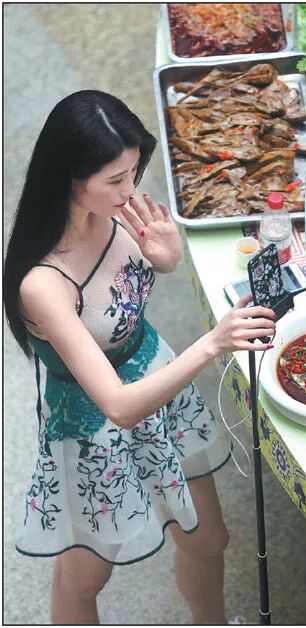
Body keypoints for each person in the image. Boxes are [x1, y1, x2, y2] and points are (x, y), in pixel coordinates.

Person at [3, 90, 276, 625]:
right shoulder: (43, 283)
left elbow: (124, 298)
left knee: (208, 538)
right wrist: (212, 343)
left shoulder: (116, 209)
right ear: (68, 178)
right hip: (92, 427)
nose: (130, 190)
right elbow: (119, 406)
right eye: (115, 179)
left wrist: (166, 257)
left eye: (134, 172)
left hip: (159, 383)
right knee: (86, 577)